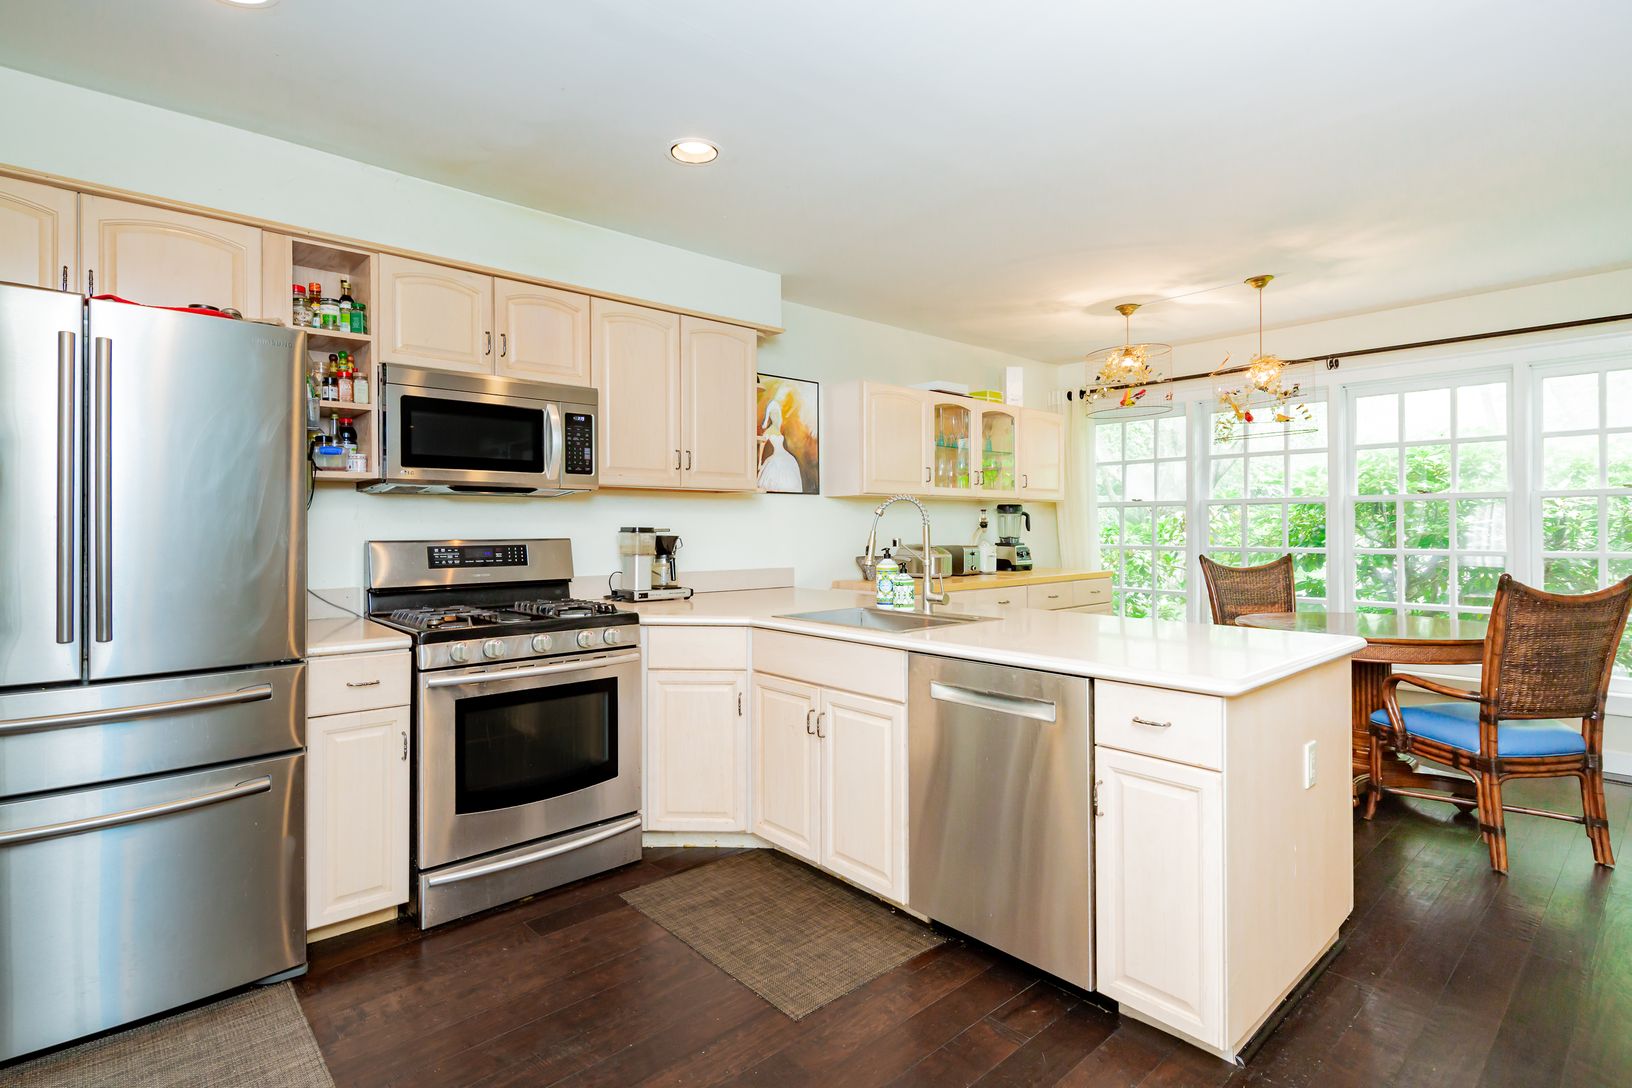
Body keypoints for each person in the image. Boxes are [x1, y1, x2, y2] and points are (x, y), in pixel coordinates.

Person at [757, 394, 804, 492]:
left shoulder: (777, 429)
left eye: (777, 414)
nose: (776, 416)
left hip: (785, 455)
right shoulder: (769, 431)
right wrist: (760, 462)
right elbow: (762, 445)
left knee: (789, 479)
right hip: (776, 456)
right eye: (773, 414)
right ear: (770, 415)